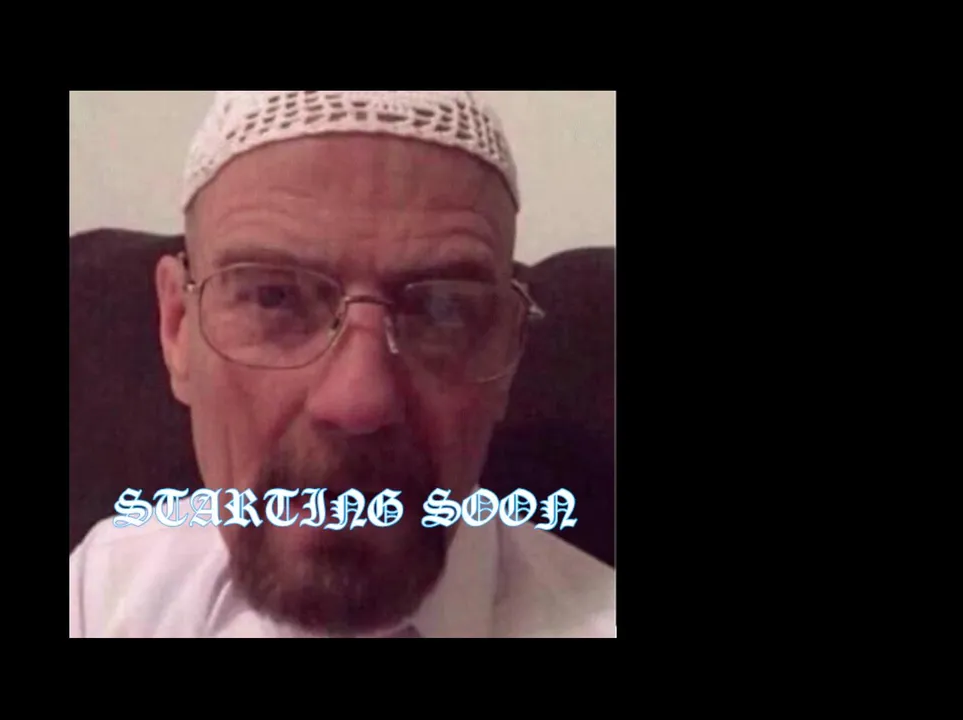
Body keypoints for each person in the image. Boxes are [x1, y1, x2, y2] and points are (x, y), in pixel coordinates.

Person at [69, 91, 615, 638]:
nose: (358, 401)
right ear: (177, 329)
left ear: (510, 351)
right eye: (274, 298)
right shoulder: (104, 593)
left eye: (443, 310)